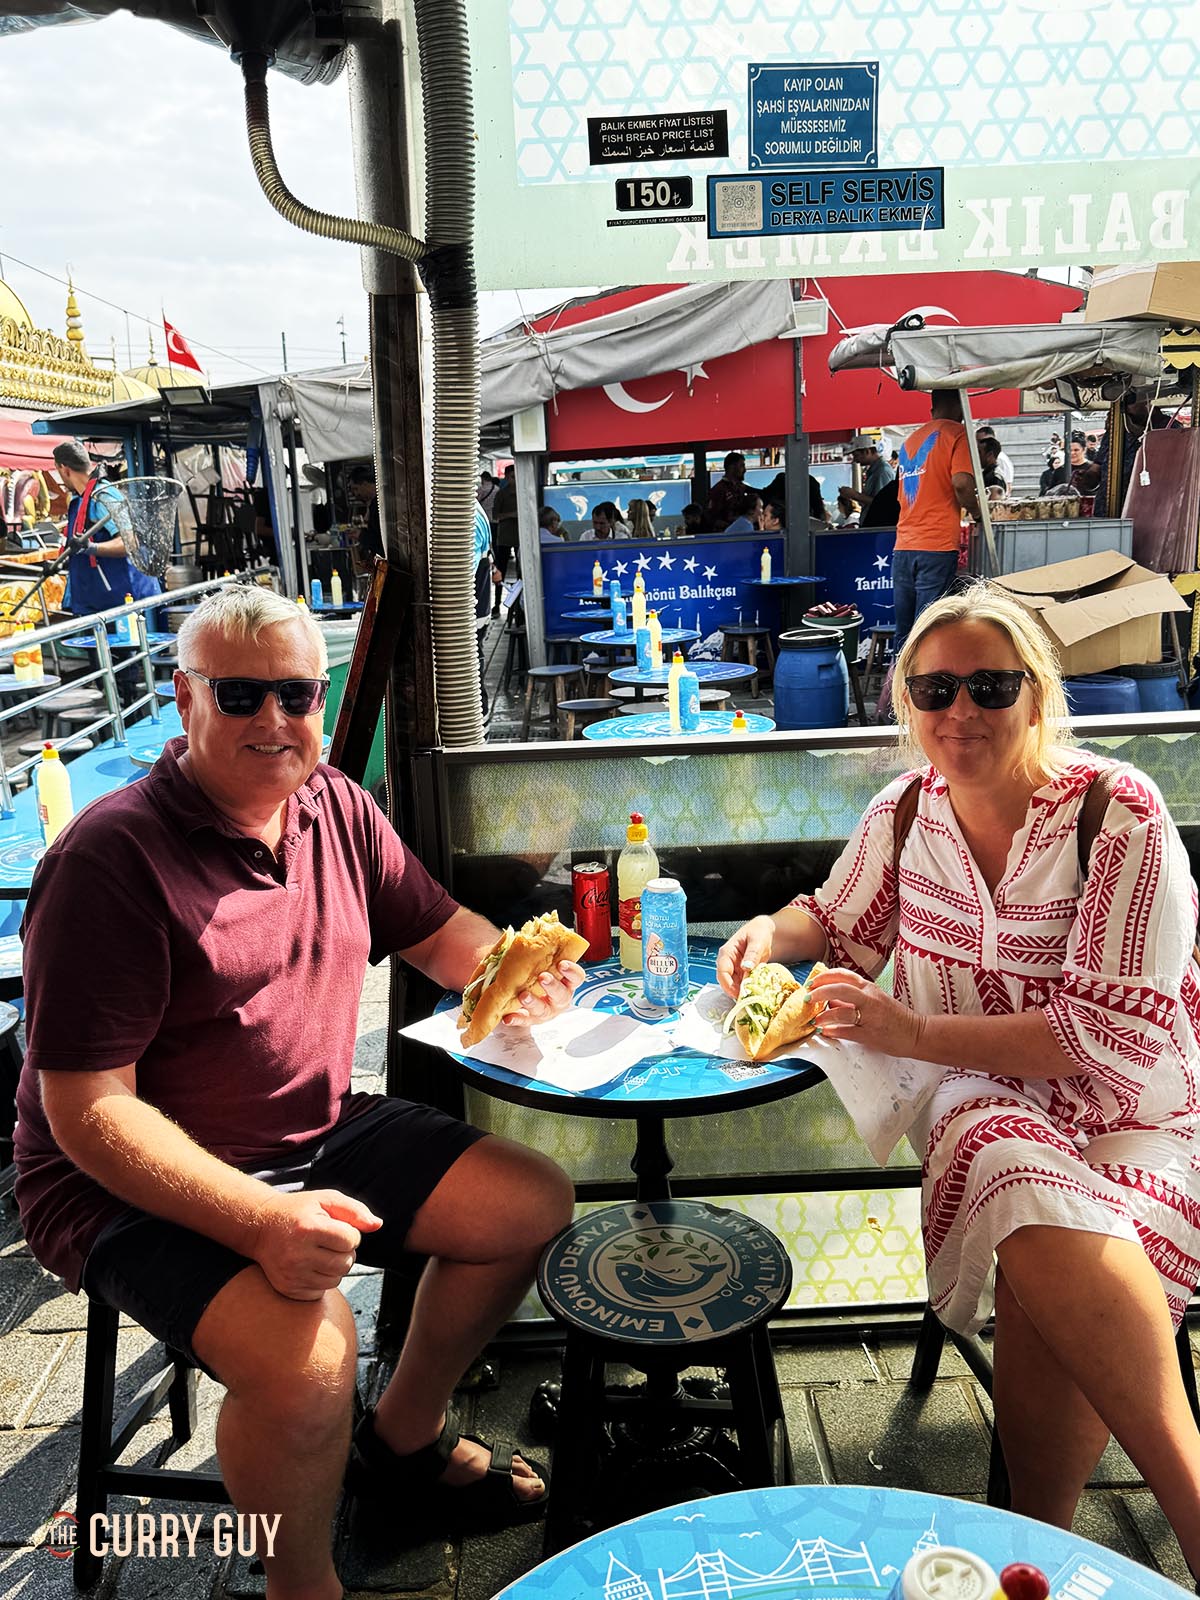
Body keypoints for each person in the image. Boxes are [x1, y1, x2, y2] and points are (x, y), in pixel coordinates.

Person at [13, 585, 582, 1599]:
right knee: (312, 1358)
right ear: (183, 699)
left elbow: (450, 938)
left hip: (310, 1127)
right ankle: (299, 1581)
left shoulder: (336, 808)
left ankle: (397, 1446)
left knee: (529, 1201)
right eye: (239, 695)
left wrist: (520, 971)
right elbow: (85, 1112)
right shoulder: (110, 860)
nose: (274, 720)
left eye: (296, 693)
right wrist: (263, 1220)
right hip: (123, 1180)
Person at [717, 582, 1200, 1572]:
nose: (960, 712)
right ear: (908, 704)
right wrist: (773, 929)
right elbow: (837, 920)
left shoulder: (1118, 817)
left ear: (1037, 693)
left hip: (1139, 1111)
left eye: (989, 684)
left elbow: (1101, 1038)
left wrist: (914, 1027)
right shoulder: (905, 812)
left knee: (1038, 1252)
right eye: (935, 691)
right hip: (987, 1097)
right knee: (1009, 1161)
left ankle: (1040, 1550)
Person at [892, 392, 980, 660]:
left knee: (905, 631)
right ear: (959, 404)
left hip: (904, 546)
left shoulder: (910, 441)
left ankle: (897, 695)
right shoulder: (957, 433)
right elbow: (962, 483)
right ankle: (925, 693)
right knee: (929, 629)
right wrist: (976, 511)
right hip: (936, 545)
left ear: (932, 407)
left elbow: (904, 495)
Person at [51, 440, 163, 617]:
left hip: (123, 601)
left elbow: (129, 543)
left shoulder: (104, 496)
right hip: (97, 601)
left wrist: (92, 548)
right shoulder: (79, 500)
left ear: (64, 469)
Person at [842, 435, 895, 521]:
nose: (855, 460)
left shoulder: (882, 471)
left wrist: (855, 495)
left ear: (867, 451)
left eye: (856, 455)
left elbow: (883, 503)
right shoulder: (875, 470)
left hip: (879, 524)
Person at [490, 465, 519, 616]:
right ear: (507, 478)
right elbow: (495, 516)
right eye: (512, 477)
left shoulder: (524, 491)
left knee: (522, 573)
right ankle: (496, 605)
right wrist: (511, 514)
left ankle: (519, 606)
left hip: (521, 538)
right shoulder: (501, 494)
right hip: (505, 538)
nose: (515, 480)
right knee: (501, 572)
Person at [347, 463, 382, 564]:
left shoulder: (378, 504)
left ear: (365, 483)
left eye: (356, 489)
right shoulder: (373, 504)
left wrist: (361, 535)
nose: (356, 495)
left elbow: (379, 540)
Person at [706, 451, 747, 531]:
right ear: (732, 467)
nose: (745, 470)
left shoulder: (741, 488)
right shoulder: (718, 490)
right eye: (742, 466)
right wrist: (732, 526)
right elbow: (711, 519)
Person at [974, 427, 1014, 492]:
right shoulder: (987, 473)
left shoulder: (995, 476)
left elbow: (1004, 490)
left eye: (979, 452)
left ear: (990, 454)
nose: (977, 455)